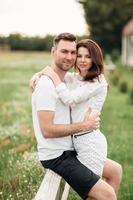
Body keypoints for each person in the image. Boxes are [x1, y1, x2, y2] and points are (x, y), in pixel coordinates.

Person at [31, 32, 118, 200]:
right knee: (107, 195)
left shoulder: (71, 80)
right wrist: (41, 74)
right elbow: (47, 131)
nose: (71, 57)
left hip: (76, 146)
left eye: (73, 52)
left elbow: (69, 88)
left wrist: (45, 73)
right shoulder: (48, 85)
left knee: (116, 171)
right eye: (65, 51)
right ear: (53, 52)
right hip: (58, 156)